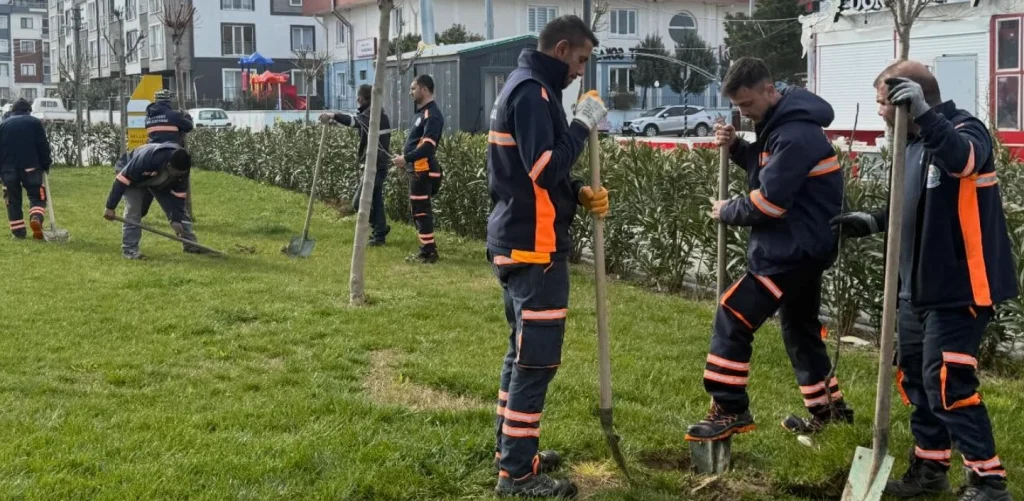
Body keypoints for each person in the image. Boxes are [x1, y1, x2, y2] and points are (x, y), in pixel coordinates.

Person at [832, 60, 1017, 501]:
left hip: (960, 287)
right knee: (916, 379)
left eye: (883, 102)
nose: (879, 112)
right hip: (915, 290)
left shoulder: (963, 129)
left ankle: (989, 483)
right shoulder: (912, 145)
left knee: (948, 381)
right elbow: (913, 207)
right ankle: (931, 469)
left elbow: (964, 161)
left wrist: (924, 114)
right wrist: (873, 221)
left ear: (911, 98)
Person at [686, 57, 852, 443]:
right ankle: (829, 412)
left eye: (747, 105)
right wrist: (739, 148)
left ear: (769, 90)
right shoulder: (781, 125)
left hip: (790, 251)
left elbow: (770, 203)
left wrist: (727, 210)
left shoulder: (794, 134)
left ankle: (729, 408)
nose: (744, 112)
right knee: (801, 330)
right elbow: (768, 171)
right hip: (805, 247)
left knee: (733, 315)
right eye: (739, 107)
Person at [486, 14, 608, 499]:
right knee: (535, 363)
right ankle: (516, 475)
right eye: (580, 60)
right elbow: (543, 166)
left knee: (519, 356)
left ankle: (512, 449)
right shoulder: (534, 93)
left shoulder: (522, 85)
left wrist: (577, 191)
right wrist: (582, 124)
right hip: (535, 248)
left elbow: (534, 170)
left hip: (516, 238)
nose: (581, 71)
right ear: (561, 49)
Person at [103, 142, 204, 259]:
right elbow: (121, 180)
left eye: (182, 174)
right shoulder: (148, 158)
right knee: (134, 211)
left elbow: (179, 196)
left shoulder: (183, 167)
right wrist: (110, 207)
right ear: (169, 166)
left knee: (181, 214)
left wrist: (175, 218)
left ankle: (191, 245)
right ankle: (129, 250)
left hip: (156, 177)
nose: (180, 176)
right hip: (131, 176)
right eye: (177, 173)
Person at [320, 84, 393, 246]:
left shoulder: (373, 114)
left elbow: (354, 122)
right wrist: (334, 122)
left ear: (360, 98)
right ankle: (380, 232)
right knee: (375, 199)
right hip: (377, 164)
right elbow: (359, 124)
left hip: (376, 165)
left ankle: (379, 230)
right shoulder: (375, 112)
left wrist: (333, 114)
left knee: (358, 202)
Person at [393, 74, 444, 263]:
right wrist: (405, 162)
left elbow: (428, 147)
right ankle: (427, 249)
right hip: (416, 169)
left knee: (422, 211)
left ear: (424, 89)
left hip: (424, 170)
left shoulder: (433, 115)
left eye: (413, 88)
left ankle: (428, 253)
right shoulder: (421, 114)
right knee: (418, 211)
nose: (410, 92)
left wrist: (406, 158)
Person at [0, 98, 52, 240]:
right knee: (37, 197)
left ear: (13, 111)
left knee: (12, 201)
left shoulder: (3, 125)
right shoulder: (35, 123)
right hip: (31, 168)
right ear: (29, 111)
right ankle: (35, 217)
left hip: (8, 170)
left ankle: (18, 233)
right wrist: (46, 164)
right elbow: (43, 146)